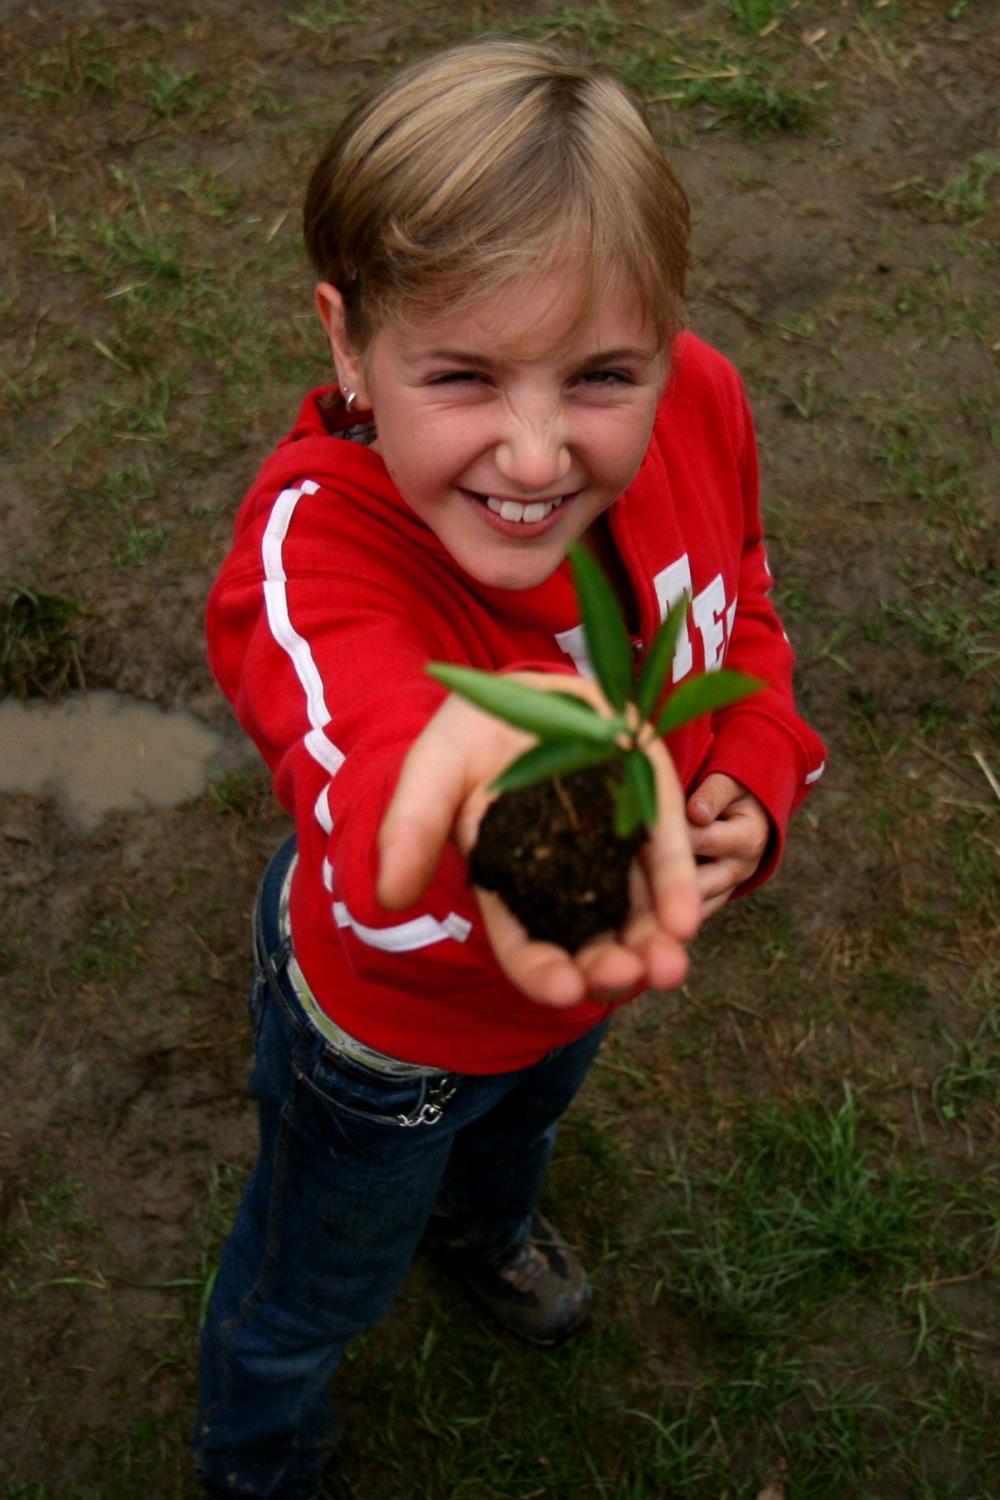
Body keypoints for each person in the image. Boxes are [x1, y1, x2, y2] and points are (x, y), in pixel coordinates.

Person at [194, 37, 826, 1499]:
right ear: (349, 347)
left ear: (667, 341)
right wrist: (484, 790)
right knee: (313, 1287)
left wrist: (751, 769)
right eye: (465, 375)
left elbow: (741, 596)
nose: (538, 454)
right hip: (385, 1044)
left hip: (566, 1001)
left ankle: (484, 1229)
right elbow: (375, 770)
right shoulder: (319, 556)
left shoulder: (702, 408)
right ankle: (259, 1443)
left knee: (529, 1117)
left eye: (604, 373)